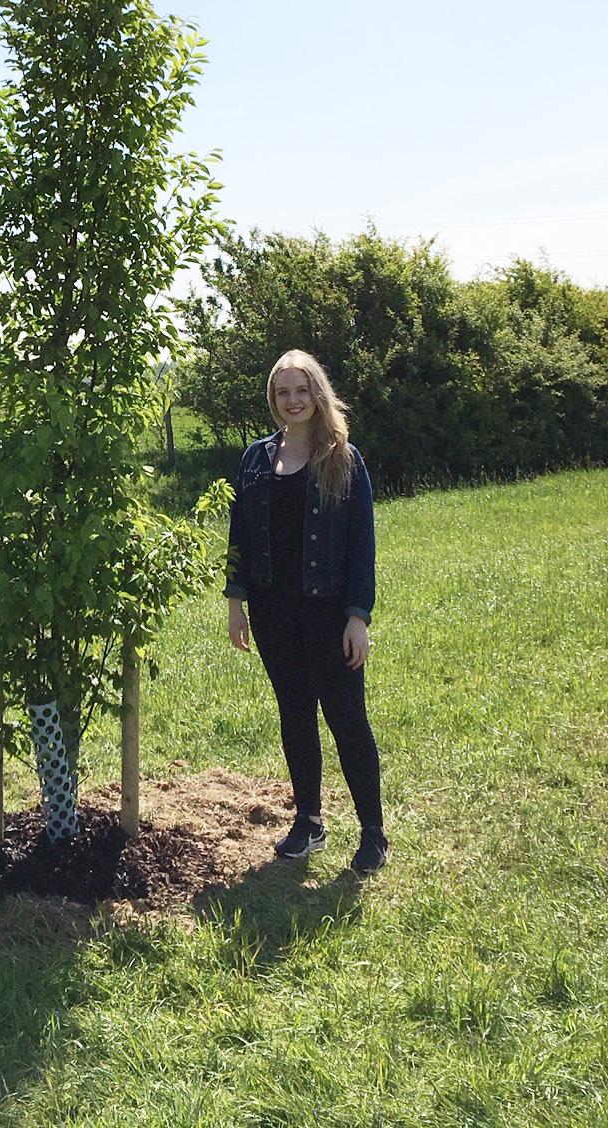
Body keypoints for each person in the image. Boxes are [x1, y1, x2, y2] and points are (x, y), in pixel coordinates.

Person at [225, 349, 390, 876]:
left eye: (301, 390)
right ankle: (310, 822)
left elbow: (362, 543)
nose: (292, 401)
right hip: (274, 615)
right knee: (295, 717)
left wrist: (358, 616)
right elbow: (240, 537)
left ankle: (373, 833)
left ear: (317, 394)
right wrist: (237, 604)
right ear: (273, 400)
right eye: (282, 392)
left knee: (347, 721)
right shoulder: (256, 459)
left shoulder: (343, 457)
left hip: (328, 614)